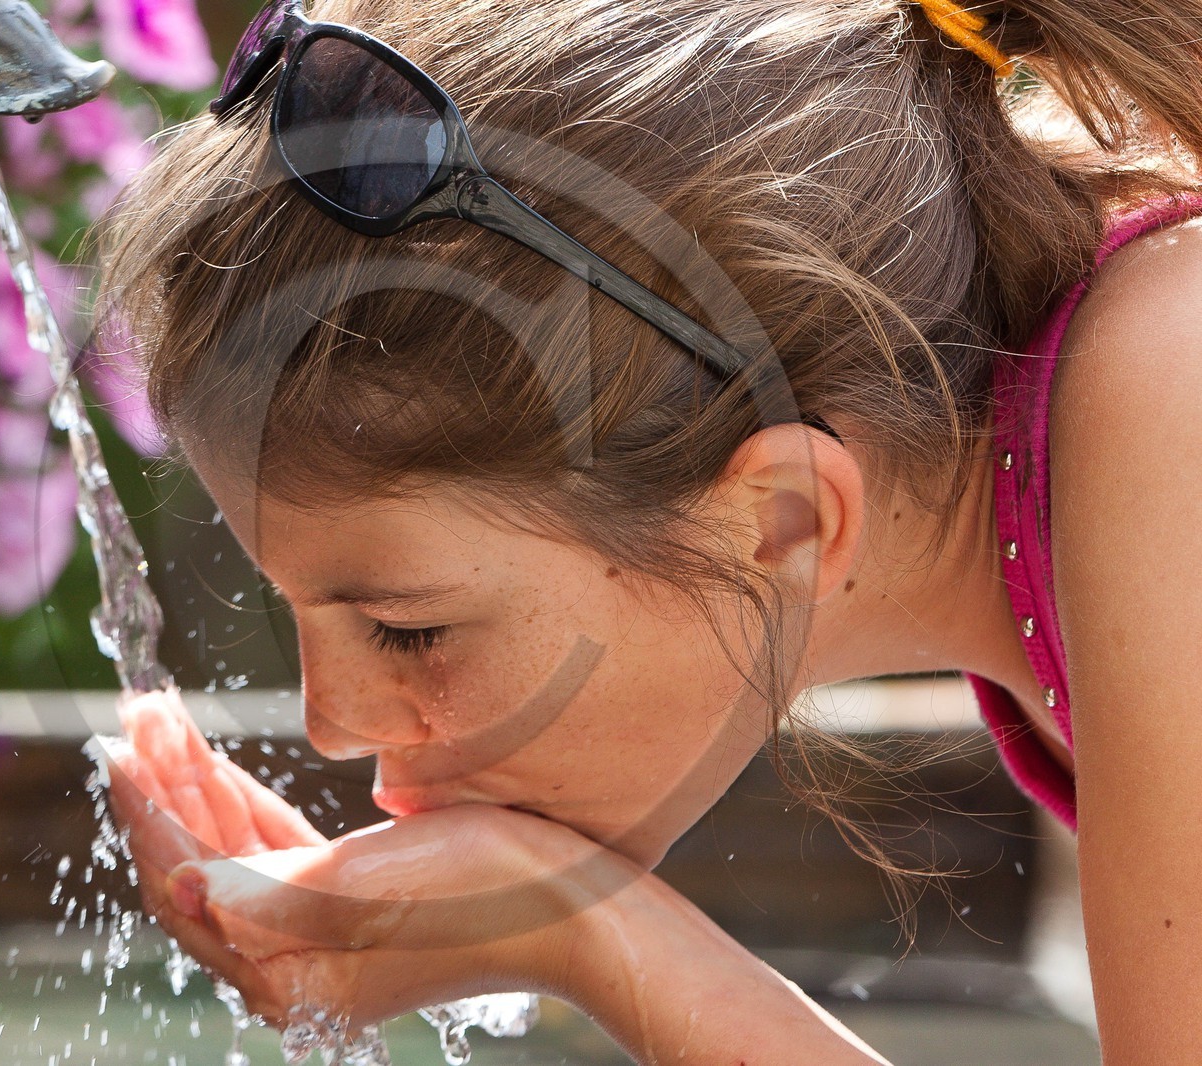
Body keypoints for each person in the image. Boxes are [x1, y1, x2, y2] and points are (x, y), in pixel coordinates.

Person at [93, 0, 1202, 1059]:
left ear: (781, 520)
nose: (330, 725)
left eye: (406, 630)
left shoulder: (1171, 395)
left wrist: (583, 933)